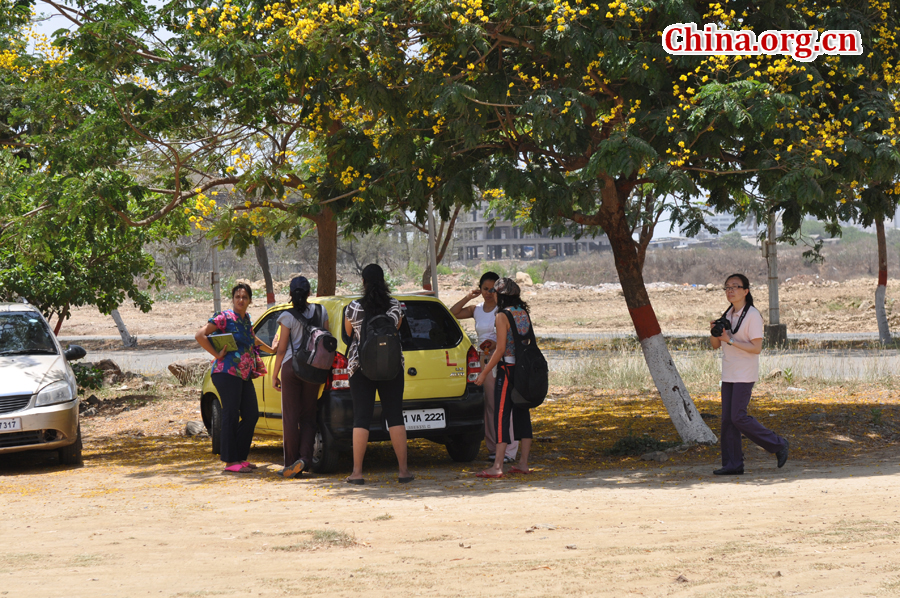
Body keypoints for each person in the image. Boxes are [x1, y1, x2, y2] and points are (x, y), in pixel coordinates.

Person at [709, 273, 789, 475]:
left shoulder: (752, 315)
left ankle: (777, 444)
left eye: (735, 287)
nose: (730, 290)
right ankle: (732, 465)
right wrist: (714, 332)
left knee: (738, 417)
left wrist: (730, 340)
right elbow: (715, 345)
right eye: (727, 287)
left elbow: (756, 348)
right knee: (727, 420)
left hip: (744, 373)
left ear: (746, 291)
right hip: (729, 372)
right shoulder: (727, 315)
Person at [342, 264, 413, 485]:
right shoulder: (394, 306)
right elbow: (398, 329)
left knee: (361, 417)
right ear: (383, 281)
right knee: (395, 415)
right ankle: (403, 471)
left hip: (360, 367)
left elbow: (348, 334)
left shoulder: (353, 307)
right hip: (391, 366)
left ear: (363, 282)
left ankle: (357, 473)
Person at [195, 283, 274, 474]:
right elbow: (200, 335)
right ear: (233, 299)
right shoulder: (224, 318)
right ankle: (231, 462)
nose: (241, 300)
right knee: (230, 414)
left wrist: (272, 350)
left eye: (245, 297)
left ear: (250, 300)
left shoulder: (246, 319)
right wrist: (216, 353)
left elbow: (253, 339)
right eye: (237, 296)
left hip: (244, 373)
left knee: (251, 414)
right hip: (226, 373)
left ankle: (240, 457)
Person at [449, 272, 518, 464]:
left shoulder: (503, 309)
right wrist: (468, 297)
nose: (488, 293)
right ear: (480, 289)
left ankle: (510, 449)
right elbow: (452, 313)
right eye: (485, 289)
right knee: (489, 405)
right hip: (483, 359)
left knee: (504, 405)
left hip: (502, 359)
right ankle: (493, 447)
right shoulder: (477, 309)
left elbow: (510, 336)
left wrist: (495, 345)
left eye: (492, 289)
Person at [473, 278, 534, 478]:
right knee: (522, 414)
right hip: (524, 371)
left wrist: (483, 373)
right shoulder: (522, 313)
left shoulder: (502, 315)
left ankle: (497, 466)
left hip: (507, 369)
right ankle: (523, 462)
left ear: (501, 295)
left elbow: (499, 350)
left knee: (501, 415)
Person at [272, 276, 328, 479]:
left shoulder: (287, 316)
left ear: (290, 293)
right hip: (313, 369)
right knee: (308, 416)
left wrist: (274, 374)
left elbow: (281, 349)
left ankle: (290, 464)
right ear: (309, 293)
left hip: (291, 367)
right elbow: (326, 340)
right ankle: (305, 459)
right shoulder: (322, 312)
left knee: (290, 417)